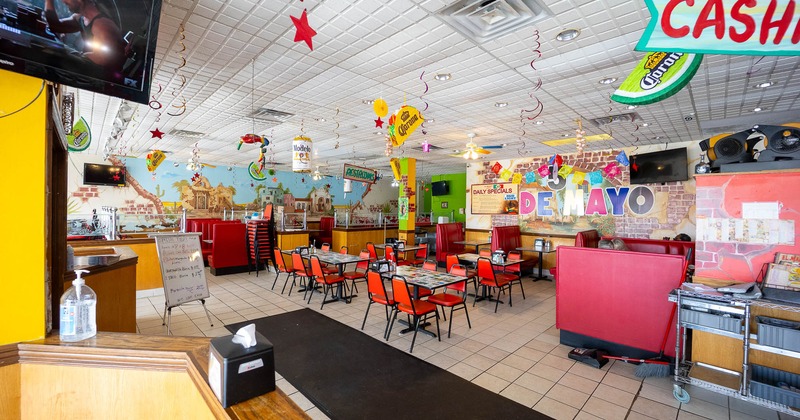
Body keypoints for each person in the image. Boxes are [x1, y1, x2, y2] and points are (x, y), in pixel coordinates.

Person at [43, 0, 126, 71]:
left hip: (97, 75)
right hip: (87, 63)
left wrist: (81, 55)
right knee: (46, 45)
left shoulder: (102, 26)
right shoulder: (82, 18)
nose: (63, 1)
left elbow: (104, 61)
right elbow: (55, 25)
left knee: (51, 52)